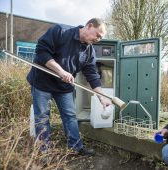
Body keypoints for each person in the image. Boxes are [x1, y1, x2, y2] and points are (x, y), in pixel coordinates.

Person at [27, 18, 111, 156]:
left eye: (101, 38)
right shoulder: (60, 31)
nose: (98, 39)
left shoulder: (89, 51)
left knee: (70, 116)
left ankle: (76, 147)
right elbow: (42, 52)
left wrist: (101, 96)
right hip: (42, 83)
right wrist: (60, 71)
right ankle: (43, 152)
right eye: (98, 35)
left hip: (64, 86)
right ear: (89, 26)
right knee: (42, 117)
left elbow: (92, 74)